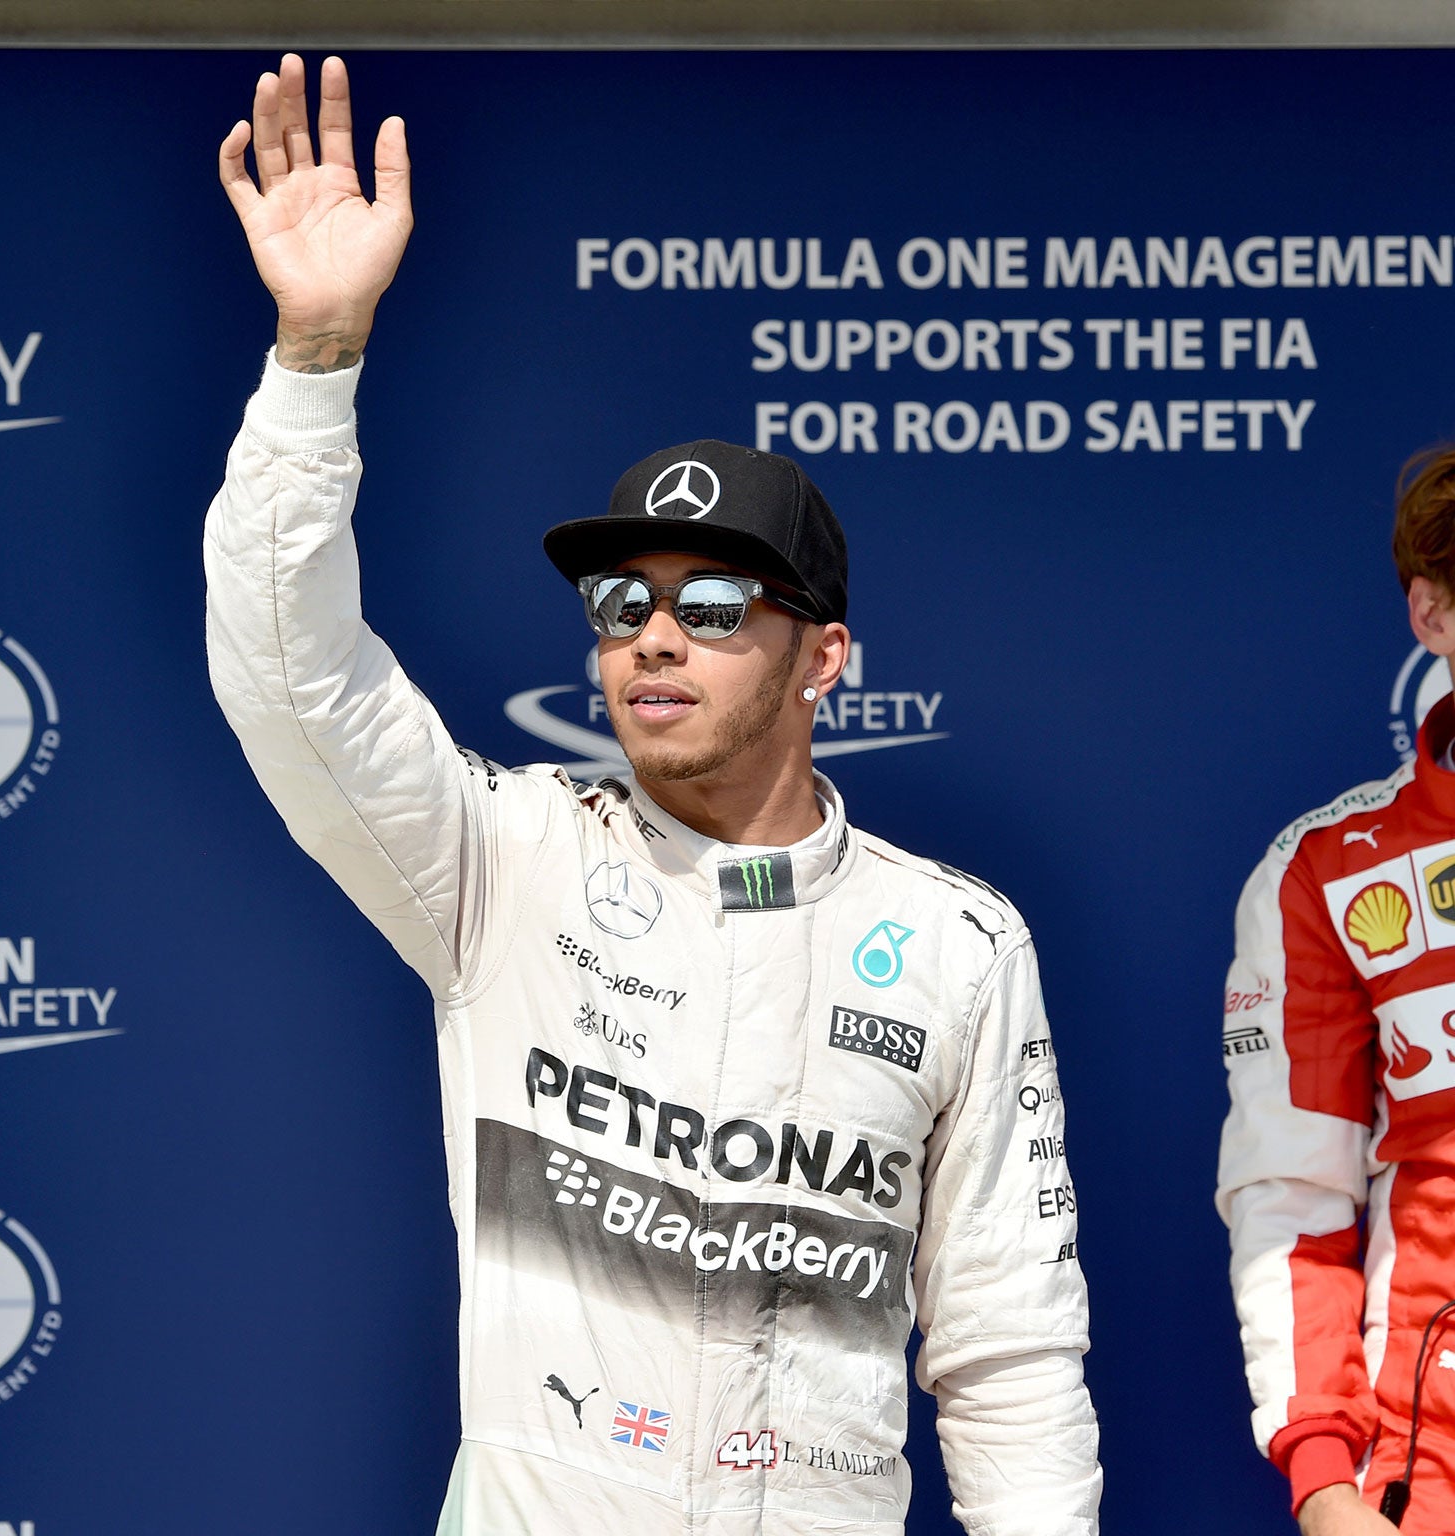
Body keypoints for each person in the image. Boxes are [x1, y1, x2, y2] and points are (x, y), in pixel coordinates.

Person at [206, 54, 1102, 1535]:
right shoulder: (505, 860)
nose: (653, 637)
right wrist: (316, 353)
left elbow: (1009, 1357)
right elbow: (287, 678)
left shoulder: (959, 947)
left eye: (713, 602)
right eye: (621, 602)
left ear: (825, 656)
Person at [1220, 448, 1455, 1536]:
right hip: (1432, 1467)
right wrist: (1321, 1480)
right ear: (1430, 612)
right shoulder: (1329, 867)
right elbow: (1292, 1197)